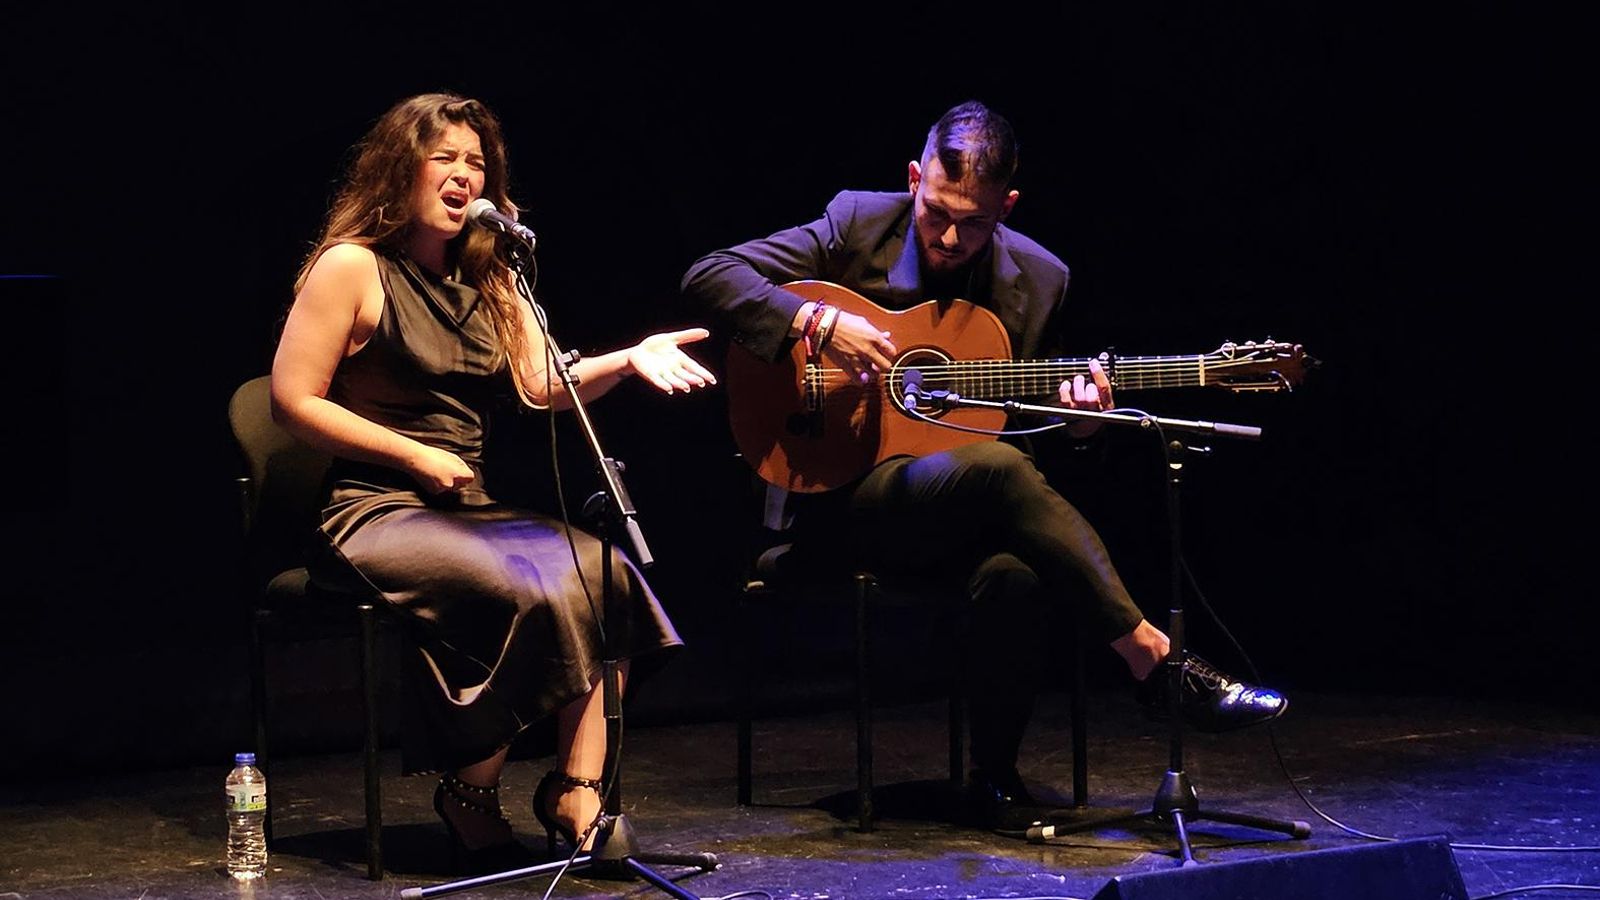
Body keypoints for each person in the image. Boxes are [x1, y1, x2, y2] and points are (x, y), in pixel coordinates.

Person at [680, 100, 1286, 829]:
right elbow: (710, 275)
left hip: (956, 513)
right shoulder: (853, 222)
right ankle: (1154, 659)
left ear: (1008, 205)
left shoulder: (1040, 278)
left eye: (975, 221)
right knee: (996, 470)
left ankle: (992, 778)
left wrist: (1079, 419)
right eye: (937, 211)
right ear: (914, 178)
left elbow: (1017, 435)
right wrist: (817, 320)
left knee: (1019, 571)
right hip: (844, 506)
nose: (950, 236)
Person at [270, 92, 717, 870]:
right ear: (397, 171)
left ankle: (575, 789)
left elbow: (543, 383)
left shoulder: (492, 274)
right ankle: (471, 791)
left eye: (474, 162)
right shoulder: (353, 268)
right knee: (538, 589)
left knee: (603, 573)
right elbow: (292, 401)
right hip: (375, 509)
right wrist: (411, 456)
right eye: (442, 157)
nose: (460, 174)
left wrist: (628, 356)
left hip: (465, 508)